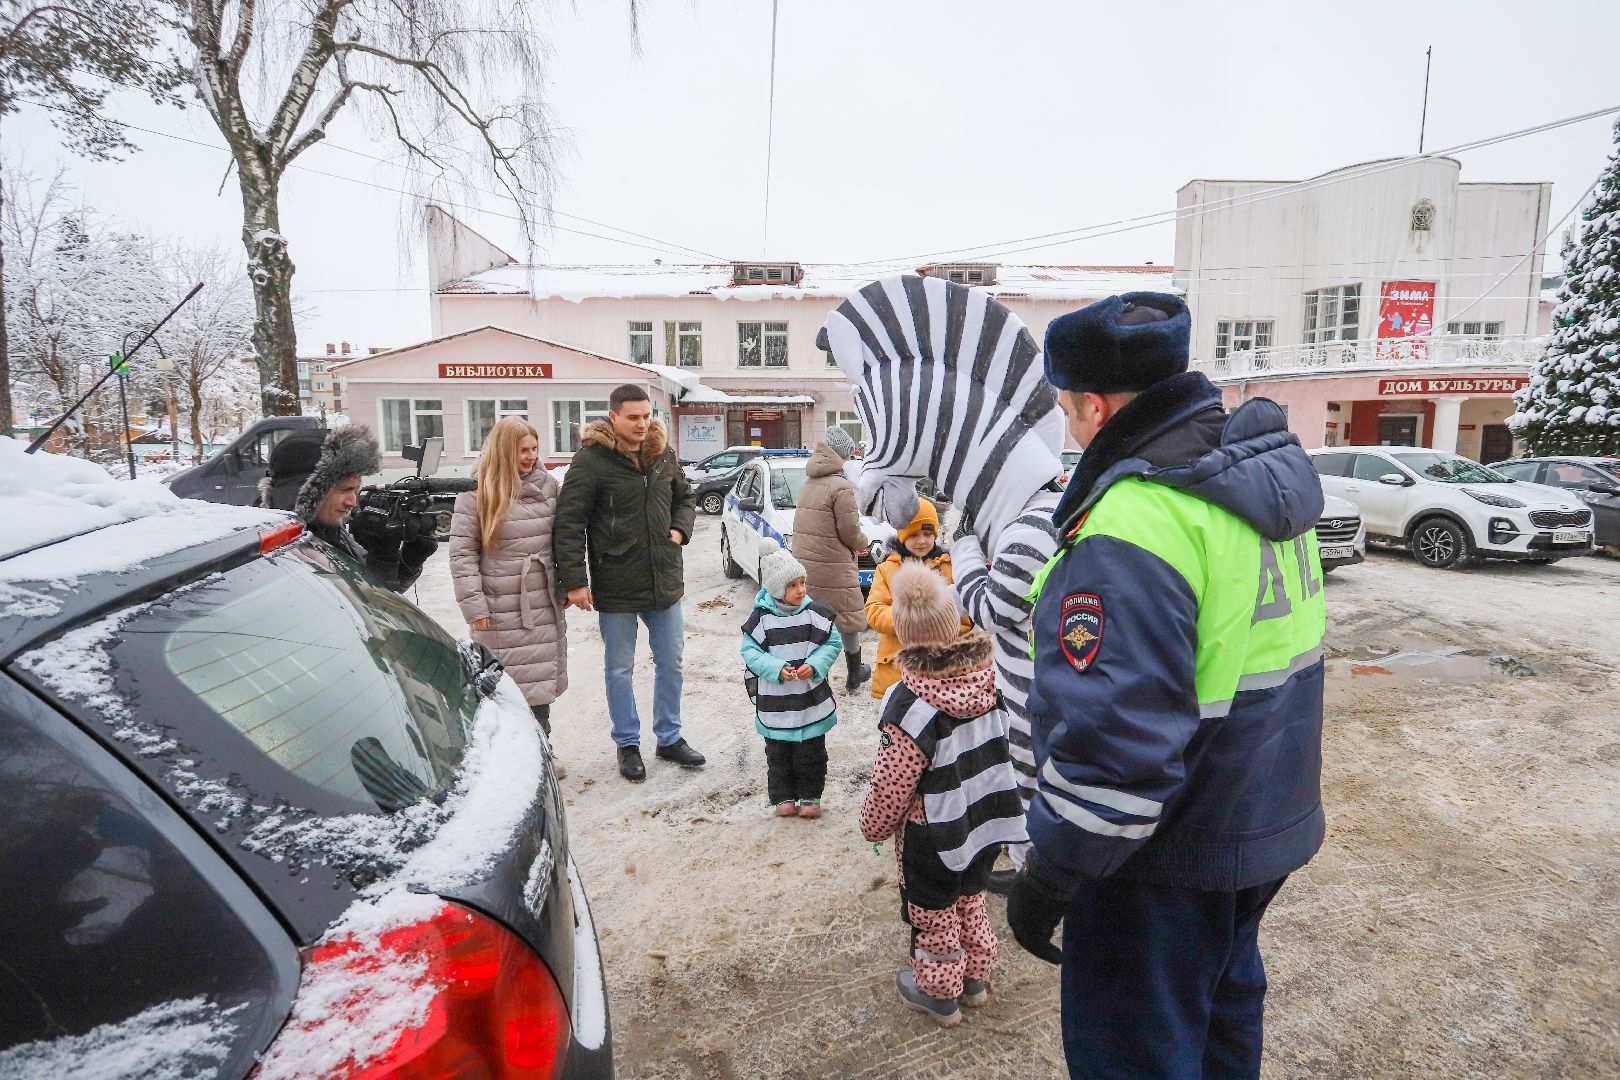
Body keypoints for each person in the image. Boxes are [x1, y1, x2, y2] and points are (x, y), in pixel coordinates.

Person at [1005, 293, 1327, 1079]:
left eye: (1068, 410)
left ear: (1092, 404)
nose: (1071, 430)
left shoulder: (1136, 522)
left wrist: (1052, 869)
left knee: (1138, 1053)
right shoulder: (1249, 481)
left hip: (1159, 858)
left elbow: (1117, 738)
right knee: (1219, 1022)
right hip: (1257, 820)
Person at [859, 561, 1026, 1028]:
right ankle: (974, 978)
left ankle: (938, 993)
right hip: (985, 821)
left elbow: (893, 782)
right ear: (954, 622)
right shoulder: (991, 679)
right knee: (971, 897)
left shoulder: (909, 703)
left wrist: (872, 825)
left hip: (932, 832)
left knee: (933, 914)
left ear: (905, 636)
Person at [553, 383, 706, 782]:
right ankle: (627, 744)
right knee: (620, 667)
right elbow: (570, 524)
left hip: (664, 579)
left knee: (670, 661)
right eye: (633, 417)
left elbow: (685, 498)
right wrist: (575, 581)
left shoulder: (662, 453)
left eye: (647, 416)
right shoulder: (591, 461)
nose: (642, 424)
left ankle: (669, 738)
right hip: (616, 580)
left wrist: (678, 532)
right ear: (614, 417)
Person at [449, 417, 569, 775]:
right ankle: (506, 759)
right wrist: (474, 606)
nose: (531, 457)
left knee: (540, 685)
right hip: (499, 604)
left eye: (534, 449)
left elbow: (560, 541)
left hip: (542, 600)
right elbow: (462, 554)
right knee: (503, 687)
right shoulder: (477, 491)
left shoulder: (548, 487)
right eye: (523, 451)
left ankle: (542, 752)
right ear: (504, 451)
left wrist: (564, 585)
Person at [739, 538, 843, 818]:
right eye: (792, 585)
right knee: (778, 754)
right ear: (776, 589)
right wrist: (773, 668)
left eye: (802, 583)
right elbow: (749, 651)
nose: (800, 590)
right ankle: (783, 797)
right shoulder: (761, 619)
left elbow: (832, 643)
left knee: (812, 752)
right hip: (777, 703)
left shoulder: (814, 615)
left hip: (809, 701)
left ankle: (810, 797)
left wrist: (815, 663)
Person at [286, 426, 437, 593]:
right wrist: (383, 557)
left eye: (356, 490)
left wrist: (409, 561)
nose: (353, 502)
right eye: (344, 490)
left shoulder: (332, 532)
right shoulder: (290, 554)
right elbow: (368, 605)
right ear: (307, 492)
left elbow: (386, 594)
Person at [864, 498, 971, 699]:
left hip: (944, 667)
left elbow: (966, 614)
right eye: (914, 535)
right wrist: (908, 620)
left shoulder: (950, 567)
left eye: (928, 534)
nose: (922, 540)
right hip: (899, 669)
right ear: (902, 535)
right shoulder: (887, 569)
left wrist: (944, 625)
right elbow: (874, 610)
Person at [791, 427, 871, 692]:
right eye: (848, 457)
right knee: (847, 618)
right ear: (841, 456)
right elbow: (849, 531)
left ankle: (816, 675)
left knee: (816, 620)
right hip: (835, 565)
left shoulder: (808, 483)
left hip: (808, 565)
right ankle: (854, 673)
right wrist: (863, 544)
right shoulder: (841, 486)